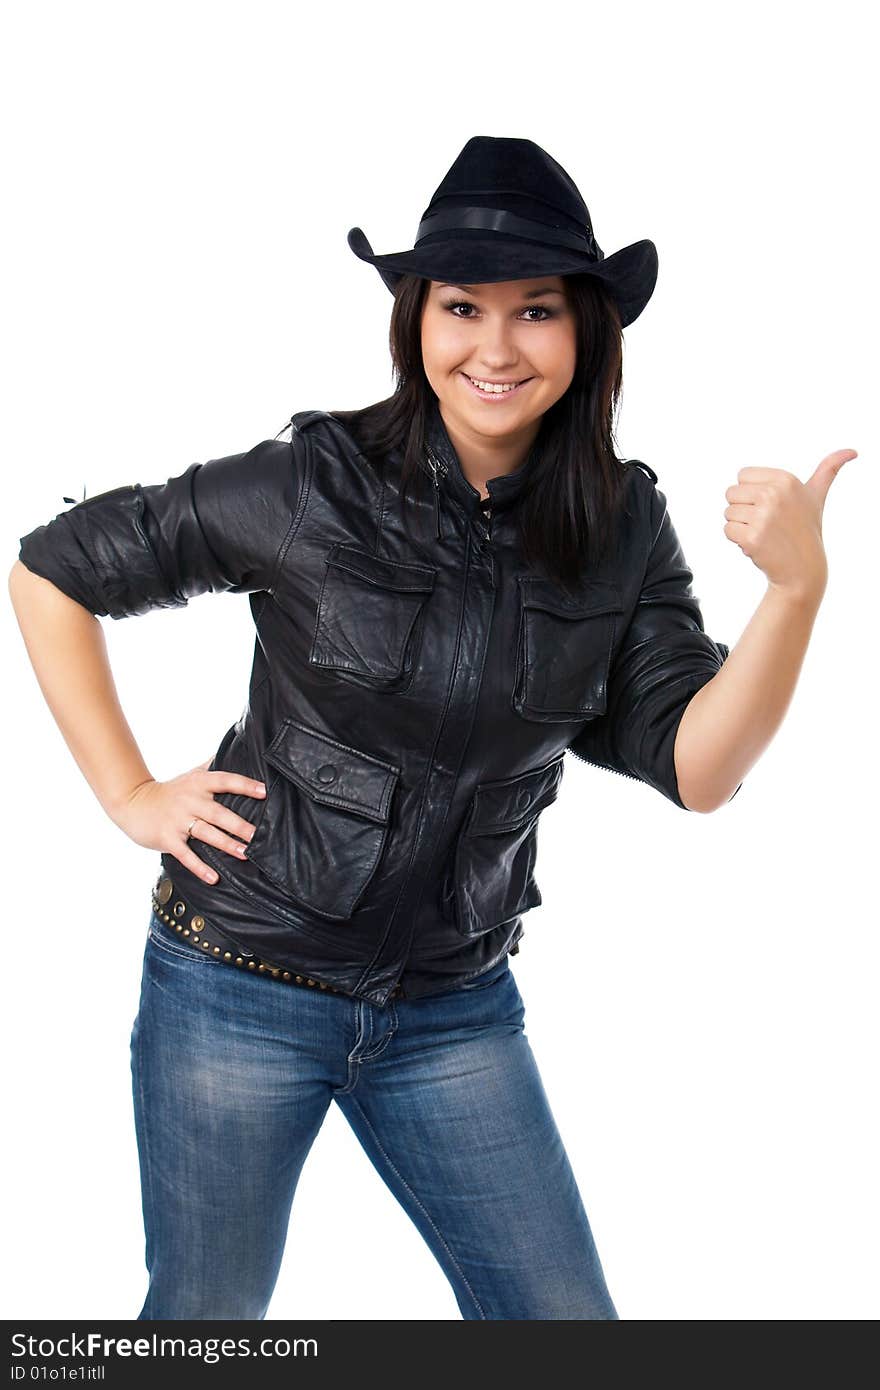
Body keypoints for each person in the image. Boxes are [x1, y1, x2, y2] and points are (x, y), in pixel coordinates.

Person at [9, 136, 845, 1322]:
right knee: (204, 1324)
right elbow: (53, 570)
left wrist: (793, 593)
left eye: (536, 310)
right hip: (236, 984)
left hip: (453, 1008)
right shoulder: (313, 483)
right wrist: (130, 793)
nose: (494, 348)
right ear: (416, 320)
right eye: (461, 307)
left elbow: (698, 767)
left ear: (587, 333)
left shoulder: (620, 523)